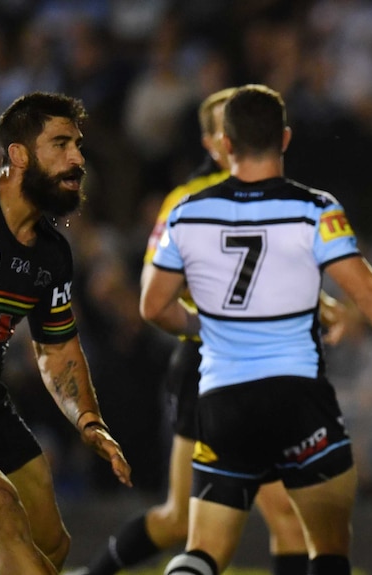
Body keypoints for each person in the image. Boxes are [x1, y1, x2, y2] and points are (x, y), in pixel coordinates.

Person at [140, 84, 372, 575]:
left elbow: (152, 306)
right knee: (328, 547)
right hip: (298, 398)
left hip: (223, 400)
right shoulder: (314, 209)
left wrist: (206, 327)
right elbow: (369, 293)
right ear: (286, 139)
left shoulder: (188, 213)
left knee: (204, 549)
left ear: (225, 144)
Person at [75, 87, 345, 575]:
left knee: (282, 518)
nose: (234, 133)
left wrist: (317, 304)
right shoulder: (187, 200)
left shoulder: (270, 191)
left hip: (256, 368)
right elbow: (156, 290)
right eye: (225, 125)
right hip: (208, 363)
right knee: (183, 521)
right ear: (211, 140)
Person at [0, 91, 132, 575]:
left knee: (50, 545)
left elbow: (57, 349)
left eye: (78, 146)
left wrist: (89, 420)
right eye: (61, 144)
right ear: (18, 155)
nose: (77, 158)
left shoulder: (52, 256)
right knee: (0, 505)